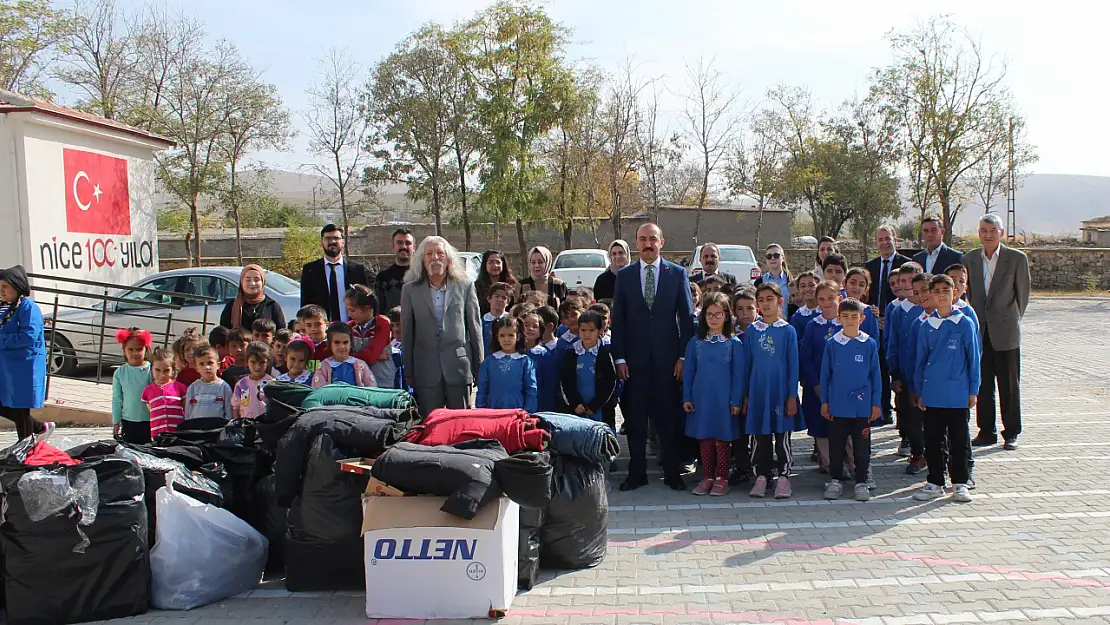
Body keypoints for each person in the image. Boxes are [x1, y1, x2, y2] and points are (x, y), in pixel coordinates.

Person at [612, 223, 695, 492]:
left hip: (668, 361)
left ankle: (672, 472)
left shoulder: (677, 274)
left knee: (667, 420)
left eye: (653, 239)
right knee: (635, 421)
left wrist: (683, 356)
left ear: (662, 242)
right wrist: (620, 358)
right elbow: (619, 320)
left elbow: (687, 318)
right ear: (636, 243)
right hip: (634, 363)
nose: (648, 244)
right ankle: (637, 473)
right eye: (643, 240)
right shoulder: (624, 276)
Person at [964, 213, 1030, 450]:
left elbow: (1022, 297)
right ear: (979, 233)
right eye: (984, 230)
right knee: (983, 384)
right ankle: (986, 430)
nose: (988, 235)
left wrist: (1009, 320)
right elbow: (968, 293)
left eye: (993, 231)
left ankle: (1011, 431)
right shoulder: (970, 259)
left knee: (1009, 385)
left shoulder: (1016, 259)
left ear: (1001, 233)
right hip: (980, 332)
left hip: (1006, 332)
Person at [913, 274, 980, 503]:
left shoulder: (965, 323)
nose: (941, 295)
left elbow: (973, 358)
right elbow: (920, 360)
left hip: (958, 393)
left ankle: (960, 482)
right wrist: (919, 391)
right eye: (937, 291)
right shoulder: (926, 325)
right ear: (930, 296)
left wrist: (973, 389)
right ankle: (935, 482)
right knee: (933, 440)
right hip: (933, 393)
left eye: (946, 290)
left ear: (955, 293)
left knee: (959, 440)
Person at [401, 235, 484, 416]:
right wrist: (408, 371)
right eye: (429, 253)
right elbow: (407, 333)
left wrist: (479, 367)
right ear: (422, 261)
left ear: (448, 259)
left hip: (459, 367)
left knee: (460, 423)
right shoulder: (410, 290)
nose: (435, 258)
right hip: (425, 369)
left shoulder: (465, 286)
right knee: (430, 423)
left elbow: (475, 329)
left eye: (440, 253)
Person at [682, 292, 746, 497]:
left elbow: (739, 375)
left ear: (727, 316)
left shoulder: (734, 343)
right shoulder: (695, 343)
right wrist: (687, 397)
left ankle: (722, 477)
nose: (714, 318)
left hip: (725, 400)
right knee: (705, 438)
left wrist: (736, 400)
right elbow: (689, 372)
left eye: (718, 314)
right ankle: (707, 476)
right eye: (709, 314)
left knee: (722, 439)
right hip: (702, 399)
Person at [820, 298, 882, 502]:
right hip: (838, 405)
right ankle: (835, 480)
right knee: (836, 447)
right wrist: (825, 402)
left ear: (862, 319)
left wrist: (875, 403)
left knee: (862, 447)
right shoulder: (832, 344)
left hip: (862, 407)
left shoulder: (869, 343)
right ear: (838, 319)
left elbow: (875, 376)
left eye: (854, 317)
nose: (849, 320)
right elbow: (825, 376)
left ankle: (862, 481)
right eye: (845, 316)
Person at [745, 283, 801, 499]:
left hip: (780, 392)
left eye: (770, 298)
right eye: (761, 300)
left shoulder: (788, 331)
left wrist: (791, 396)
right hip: (759, 392)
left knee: (782, 436)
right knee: (760, 437)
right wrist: (747, 395)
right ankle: (762, 475)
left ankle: (784, 476)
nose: (765, 303)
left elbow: (792, 366)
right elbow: (747, 365)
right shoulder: (752, 331)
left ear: (780, 301)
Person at [866, 224, 910, 425]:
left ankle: (904, 414)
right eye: (880, 239)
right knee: (880, 366)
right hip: (876, 322)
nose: (884, 242)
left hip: (898, 322)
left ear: (895, 239)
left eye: (887, 238)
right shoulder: (870, 266)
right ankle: (884, 409)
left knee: (897, 367)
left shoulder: (907, 263)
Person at [799, 281, 843, 472]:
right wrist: (815, 383)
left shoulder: (846, 323)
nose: (827, 303)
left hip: (842, 386)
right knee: (820, 425)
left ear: (839, 298)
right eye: (822, 299)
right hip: (817, 387)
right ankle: (828, 463)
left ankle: (848, 462)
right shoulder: (812, 326)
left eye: (831, 298)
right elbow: (805, 357)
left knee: (843, 426)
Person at [300, 224, 371, 323]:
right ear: (321, 242)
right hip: (322, 330)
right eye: (328, 238)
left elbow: (366, 301)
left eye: (336, 238)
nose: (332, 242)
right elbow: (305, 304)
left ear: (343, 242)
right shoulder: (310, 270)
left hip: (352, 328)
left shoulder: (357, 269)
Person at [558, 310, 617, 423]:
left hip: (599, 409)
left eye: (591, 330)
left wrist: (595, 405)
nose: (587, 334)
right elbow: (566, 380)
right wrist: (575, 403)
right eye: (583, 330)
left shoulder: (604, 353)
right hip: (578, 409)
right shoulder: (572, 353)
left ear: (600, 331)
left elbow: (610, 382)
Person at [727, 287, 759, 486]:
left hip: (758, 391)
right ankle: (742, 467)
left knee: (758, 433)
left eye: (750, 308)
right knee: (738, 433)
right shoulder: (731, 336)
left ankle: (759, 467)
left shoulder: (762, 332)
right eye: (740, 309)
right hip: (737, 391)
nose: (745, 313)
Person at [476, 317, 538, 413]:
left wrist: (528, 413)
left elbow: (531, 390)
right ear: (497, 337)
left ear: (518, 337)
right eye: (502, 335)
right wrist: (481, 411)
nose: (506, 339)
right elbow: (482, 391)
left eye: (510, 335)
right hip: (493, 413)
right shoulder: (488, 362)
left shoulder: (525, 362)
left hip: (518, 414)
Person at [346, 285, 393, 386]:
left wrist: (350, 357)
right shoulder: (348, 327)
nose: (349, 314)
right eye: (348, 310)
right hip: (359, 382)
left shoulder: (382, 324)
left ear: (367, 309)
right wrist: (375, 356)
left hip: (381, 382)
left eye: (352, 310)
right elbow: (339, 355)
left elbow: (371, 355)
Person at [112, 327, 153, 444]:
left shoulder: (152, 369)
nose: (135, 353)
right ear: (124, 350)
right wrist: (116, 422)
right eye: (130, 349)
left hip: (149, 421)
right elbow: (117, 399)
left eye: (139, 349)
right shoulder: (120, 373)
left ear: (146, 349)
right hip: (129, 421)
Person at [220, 264, 285, 330]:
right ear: (242, 282)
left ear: (263, 282)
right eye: (248, 280)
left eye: (256, 280)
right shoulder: (232, 305)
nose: (252, 283)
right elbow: (224, 332)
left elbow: (281, 334)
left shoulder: (272, 306)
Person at [312, 322, 376, 388]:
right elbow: (318, 392)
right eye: (337, 342)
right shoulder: (323, 367)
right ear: (330, 344)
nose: (342, 346)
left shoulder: (361, 365)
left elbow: (371, 389)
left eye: (345, 342)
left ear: (351, 344)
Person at [143, 347, 187, 438]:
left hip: (177, 433)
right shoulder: (148, 391)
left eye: (166, 370)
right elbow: (152, 409)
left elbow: (185, 409)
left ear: (172, 370)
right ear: (152, 369)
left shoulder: (180, 388)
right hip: (157, 434)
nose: (162, 375)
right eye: (157, 370)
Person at [185, 344, 234, 422]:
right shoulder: (193, 388)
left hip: (217, 431)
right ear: (196, 368)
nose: (206, 367)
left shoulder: (224, 387)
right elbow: (188, 413)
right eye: (201, 364)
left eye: (210, 363)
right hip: (196, 431)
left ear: (218, 365)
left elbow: (229, 413)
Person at [375, 228, 415, 312]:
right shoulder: (383, 278)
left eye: (408, 243)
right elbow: (378, 311)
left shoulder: (422, 275)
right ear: (393, 247)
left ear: (414, 248)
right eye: (399, 243)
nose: (404, 246)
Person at [517, 246, 568, 311]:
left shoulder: (559, 284)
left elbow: (565, 309)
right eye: (533, 262)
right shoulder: (522, 285)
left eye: (540, 262)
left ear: (547, 262)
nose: (536, 265)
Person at [233, 341, 274, 419]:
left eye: (262, 362)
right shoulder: (241, 384)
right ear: (247, 361)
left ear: (268, 362)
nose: (257, 367)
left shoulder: (272, 383)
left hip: (265, 425)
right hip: (246, 425)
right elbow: (236, 407)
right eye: (253, 362)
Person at [754, 244, 792, 319]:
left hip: (787, 323)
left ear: (783, 258)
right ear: (766, 260)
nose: (772, 258)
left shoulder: (791, 281)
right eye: (769, 256)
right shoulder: (759, 282)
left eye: (776, 255)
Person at [475, 249, 518, 315]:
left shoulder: (513, 285)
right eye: (491, 262)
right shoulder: (476, 287)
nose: (495, 265)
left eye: (498, 262)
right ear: (485, 265)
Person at [844, 268, 880, 340]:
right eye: (852, 283)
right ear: (844, 284)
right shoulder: (837, 309)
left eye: (861, 285)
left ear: (866, 289)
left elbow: (874, 340)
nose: (856, 287)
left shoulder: (870, 312)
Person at [789, 272, 819, 340]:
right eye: (803, 286)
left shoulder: (828, 309)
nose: (807, 289)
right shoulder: (797, 317)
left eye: (811, 285)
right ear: (799, 290)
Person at [482, 282, 513, 349]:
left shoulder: (512, 320)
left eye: (504, 298)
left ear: (507, 302)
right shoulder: (482, 322)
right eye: (497, 296)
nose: (500, 299)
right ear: (489, 299)